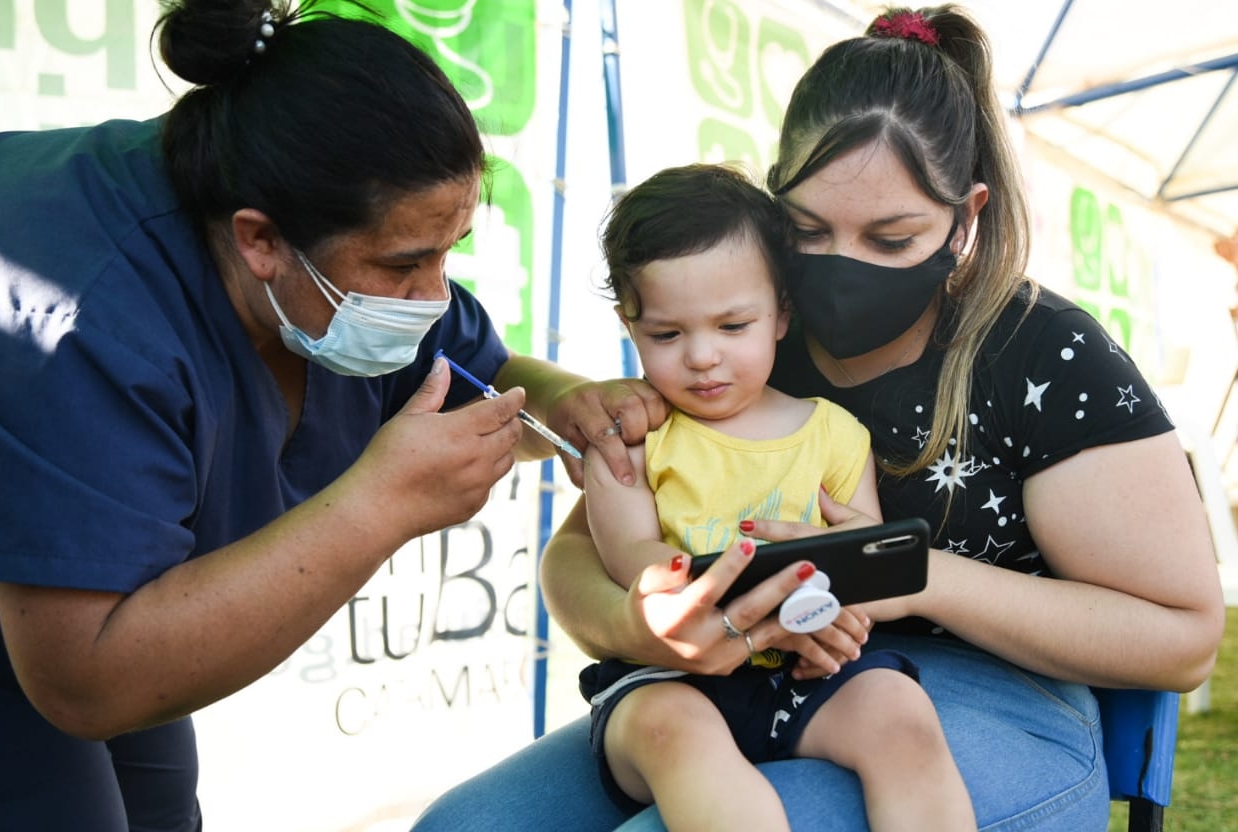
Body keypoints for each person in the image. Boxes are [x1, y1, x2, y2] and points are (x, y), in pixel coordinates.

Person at [413, 5, 1226, 831]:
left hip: (997, 695)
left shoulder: (1042, 353)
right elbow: (580, 555)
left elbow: (1184, 638)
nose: (841, 267)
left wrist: (899, 573)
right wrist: (639, 625)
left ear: (966, 216)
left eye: (891, 238)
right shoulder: (746, 336)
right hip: (720, 679)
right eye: (807, 229)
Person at [0, 2, 646, 829]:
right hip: (4, 608)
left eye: (448, 253)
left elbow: (482, 373)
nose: (432, 297)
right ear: (260, 241)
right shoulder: (85, 320)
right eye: (405, 264)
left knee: (159, 807)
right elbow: (87, 682)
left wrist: (567, 399)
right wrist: (380, 506)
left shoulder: (323, 247)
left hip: (100, 602)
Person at [581, 162, 974, 832]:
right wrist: (760, 598)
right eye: (667, 334)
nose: (702, 356)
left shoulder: (835, 435)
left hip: (806, 666)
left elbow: (862, 563)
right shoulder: (631, 441)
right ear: (630, 324)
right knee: (676, 737)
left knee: (901, 715)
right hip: (670, 678)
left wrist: (840, 617)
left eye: (733, 326)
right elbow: (631, 561)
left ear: (782, 313)